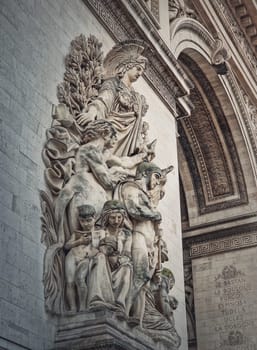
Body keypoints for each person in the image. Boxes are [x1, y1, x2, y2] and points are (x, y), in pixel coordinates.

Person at [114, 162, 168, 325]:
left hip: (151, 242)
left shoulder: (146, 194)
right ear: (148, 174)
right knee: (140, 274)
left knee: (144, 283)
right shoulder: (131, 188)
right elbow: (133, 209)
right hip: (138, 236)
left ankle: (137, 317)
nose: (157, 182)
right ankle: (123, 307)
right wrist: (154, 214)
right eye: (157, 178)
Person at [76, 42, 149, 157]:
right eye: (138, 69)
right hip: (110, 131)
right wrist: (91, 113)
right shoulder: (113, 83)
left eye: (142, 71)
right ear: (128, 66)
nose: (140, 74)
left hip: (129, 141)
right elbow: (103, 100)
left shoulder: (136, 96)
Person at [87, 200, 133, 316]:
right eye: (112, 218)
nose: (116, 221)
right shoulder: (99, 232)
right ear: (106, 218)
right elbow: (93, 250)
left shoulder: (126, 234)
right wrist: (104, 253)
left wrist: (118, 260)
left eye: (119, 217)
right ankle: (97, 299)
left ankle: (119, 304)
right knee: (100, 257)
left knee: (127, 268)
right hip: (102, 263)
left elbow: (127, 252)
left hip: (118, 264)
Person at [64, 205, 104, 312]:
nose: (85, 224)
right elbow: (67, 246)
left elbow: (102, 248)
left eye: (89, 220)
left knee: (80, 279)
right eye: (82, 221)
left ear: (94, 218)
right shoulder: (77, 233)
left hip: (87, 258)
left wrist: (92, 252)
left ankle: (82, 307)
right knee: (70, 282)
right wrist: (79, 241)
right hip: (72, 256)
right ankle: (72, 308)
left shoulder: (100, 233)